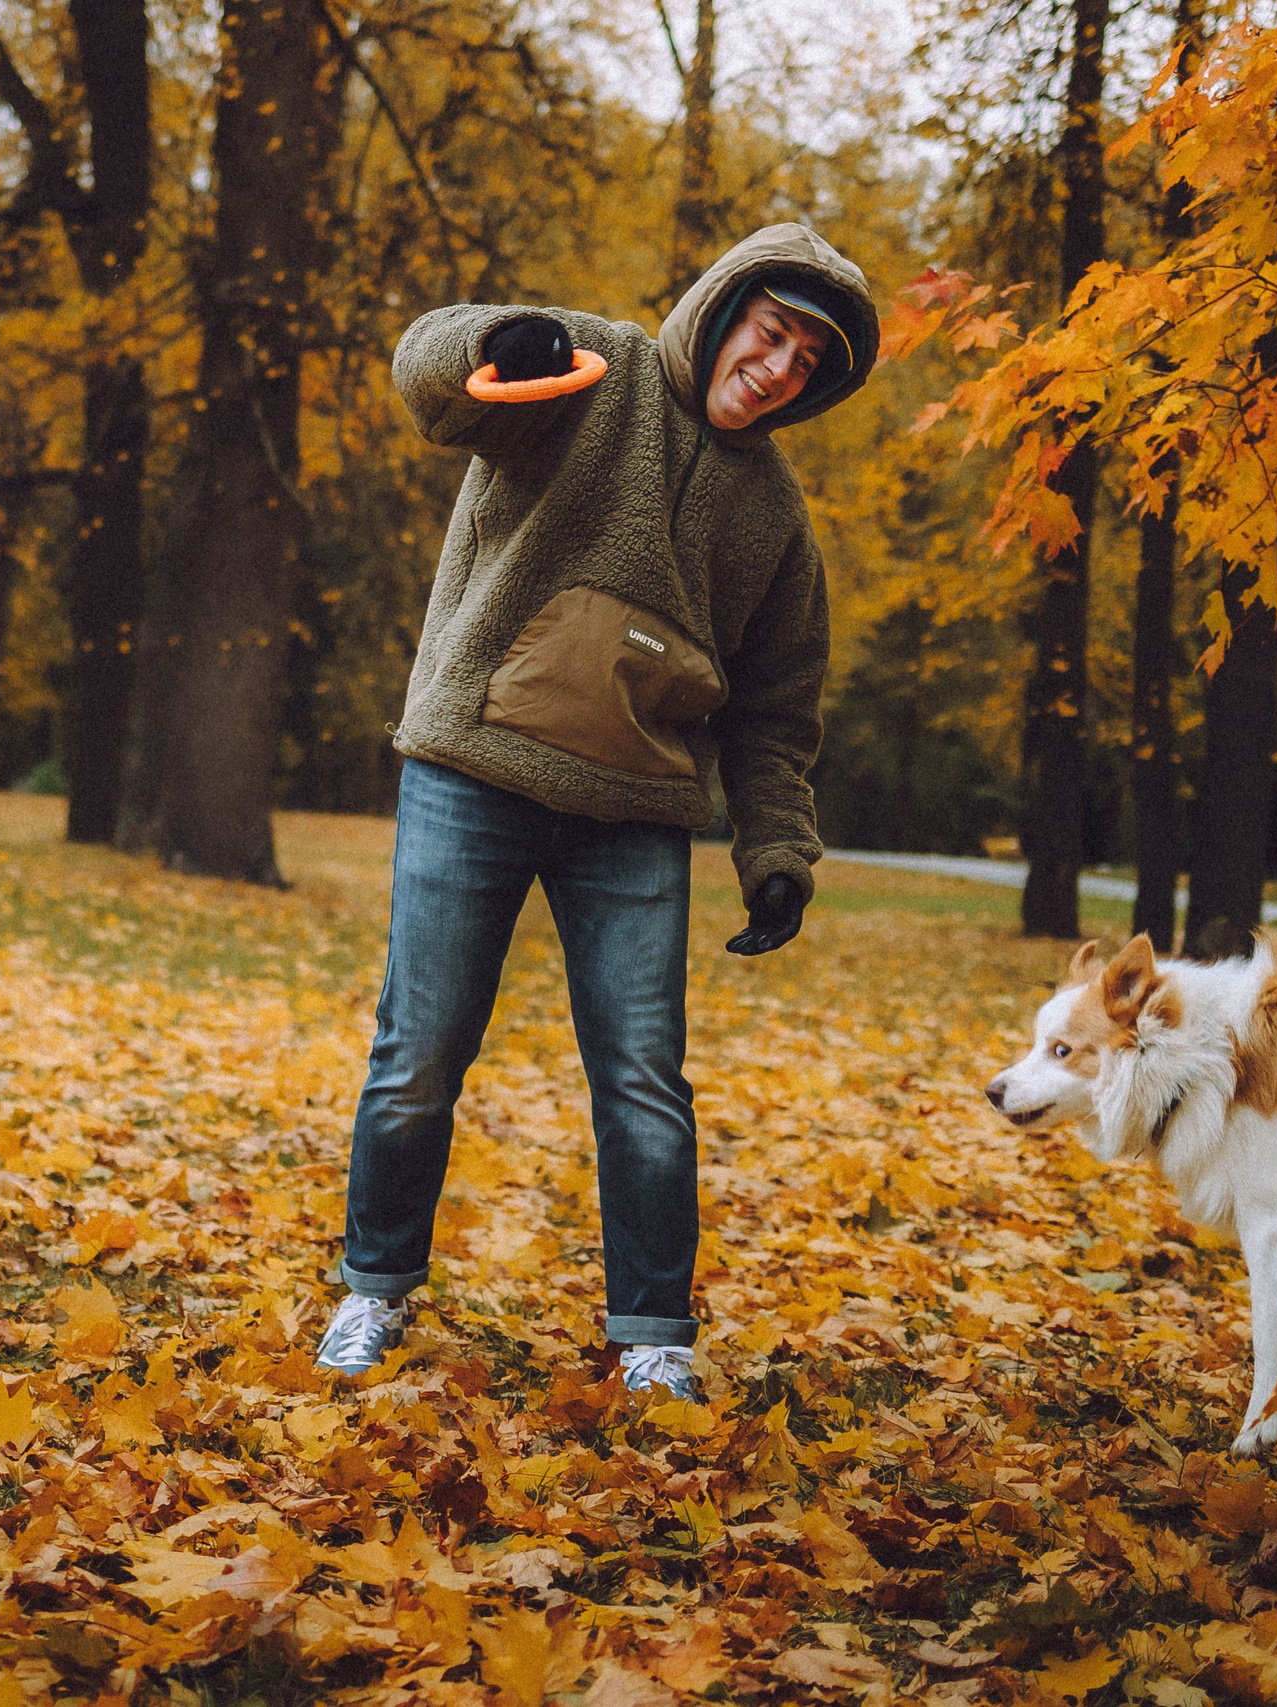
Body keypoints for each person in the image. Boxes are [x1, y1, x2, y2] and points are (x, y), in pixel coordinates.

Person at [313, 226, 878, 1398]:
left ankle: (653, 1337)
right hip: (474, 767)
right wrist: (494, 347)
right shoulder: (600, 373)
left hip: (633, 812)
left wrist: (777, 852)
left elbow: (774, 713)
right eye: (770, 335)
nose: (777, 369)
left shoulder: (776, 520)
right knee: (418, 1057)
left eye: (806, 361)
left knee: (643, 1082)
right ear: (725, 314)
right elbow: (433, 375)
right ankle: (373, 1292)